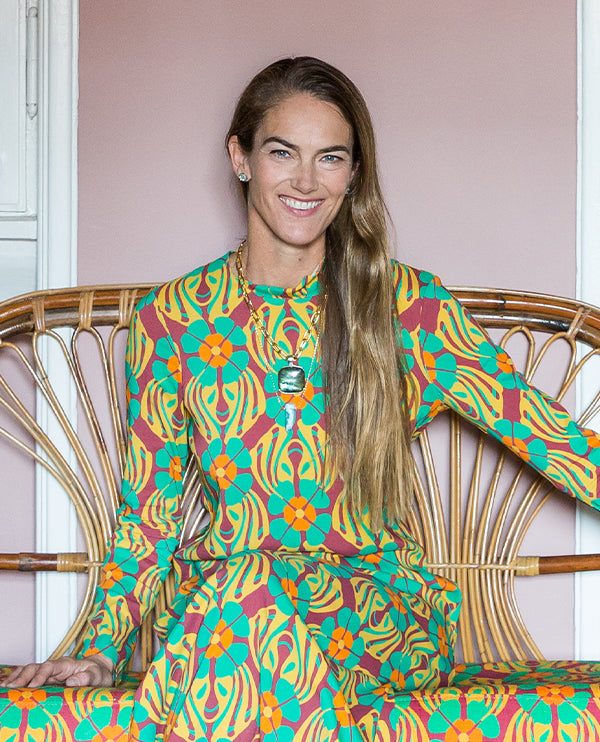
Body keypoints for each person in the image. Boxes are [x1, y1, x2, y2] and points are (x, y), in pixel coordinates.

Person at [2, 56, 599, 741]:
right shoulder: (173, 319)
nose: (306, 181)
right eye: (283, 153)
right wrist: (102, 648)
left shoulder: (407, 307)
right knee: (242, 597)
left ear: (353, 174)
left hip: (377, 612)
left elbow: (553, 440)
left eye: (331, 158)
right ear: (241, 157)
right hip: (222, 606)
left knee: (239, 621)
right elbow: (150, 513)